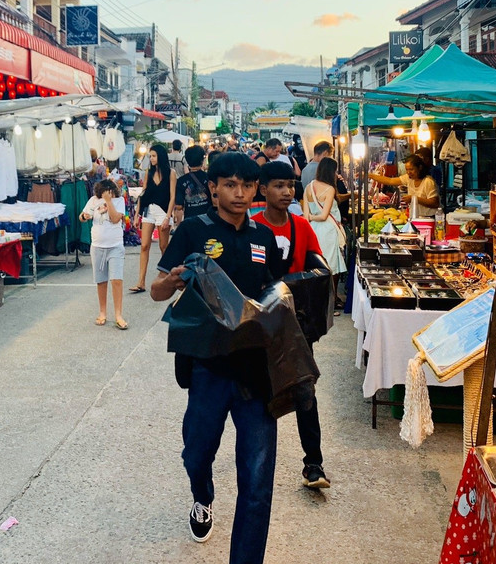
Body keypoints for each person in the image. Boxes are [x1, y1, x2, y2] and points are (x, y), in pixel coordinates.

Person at [150, 152, 281, 563]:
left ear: (255, 188)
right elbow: (156, 289)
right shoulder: (192, 231)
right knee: (197, 453)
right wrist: (170, 281)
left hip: (256, 374)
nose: (239, 193)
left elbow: (275, 297)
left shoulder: (263, 238)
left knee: (258, 483)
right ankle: (202, 495)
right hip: (208, 368)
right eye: (230, 184)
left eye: (246, 185)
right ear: (213, 188)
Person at [253, 161, 330, 490]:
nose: (287, 192)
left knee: (304, 392)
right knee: (257, 397)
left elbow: (319, 269)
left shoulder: (302, 227)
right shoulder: (251, 227)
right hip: (258, 326)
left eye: (291, 185)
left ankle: (314, 464)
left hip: (296, 328)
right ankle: (257, 465)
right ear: (263, 189)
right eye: (279, 185)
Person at [80, 178, 127, 329]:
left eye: (110, 192)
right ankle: (102, 312)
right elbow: (82, 216)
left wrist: (109, 201)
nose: (108, 195)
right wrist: (85, 216)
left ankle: (118, 315)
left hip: (115, 246)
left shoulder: (119, 201)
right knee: (101, 281)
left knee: (117, 280)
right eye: (105, 193)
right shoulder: (93, 200)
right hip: (98, 246)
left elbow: (114, 219)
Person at [130, 143, 176, 293]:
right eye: (150, 156)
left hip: (163, 212)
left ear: (160, 156)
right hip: (148, 210)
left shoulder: (171, 173)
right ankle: (141, 282)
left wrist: (168, 216)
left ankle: (168, 277)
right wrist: (137, 214)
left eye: (154, 156)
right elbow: (143, 194)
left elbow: (172, 196)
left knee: (164, 247)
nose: (151, 159)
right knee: (144, 246)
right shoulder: (148, 172)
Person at [302, 157, 347, 278]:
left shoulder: (308, 188)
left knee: (316, 265)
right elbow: (323, 216)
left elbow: (306, 216)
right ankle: (331, 295)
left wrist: (311, 217)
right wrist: (313, 216)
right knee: (330, 265)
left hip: (313, 230)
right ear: (331, 171)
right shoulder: (330, 189)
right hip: (328, 230)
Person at [368, 154, 440, 218]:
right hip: (415, 217)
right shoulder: (409, 178)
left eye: (411, 169)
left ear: (420, 167)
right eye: (407, 170)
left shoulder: (428, 181)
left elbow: (435, 203)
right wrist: (370, 175)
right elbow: (390, 181)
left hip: (429, 218)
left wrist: (413, 199)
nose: (409, 172)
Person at [175, 145, 211, 223]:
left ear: (187, 161)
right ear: (202, 160)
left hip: (190, 221)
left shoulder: (181, 181)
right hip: (208, 220)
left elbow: (179, 206)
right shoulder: (209, 178)